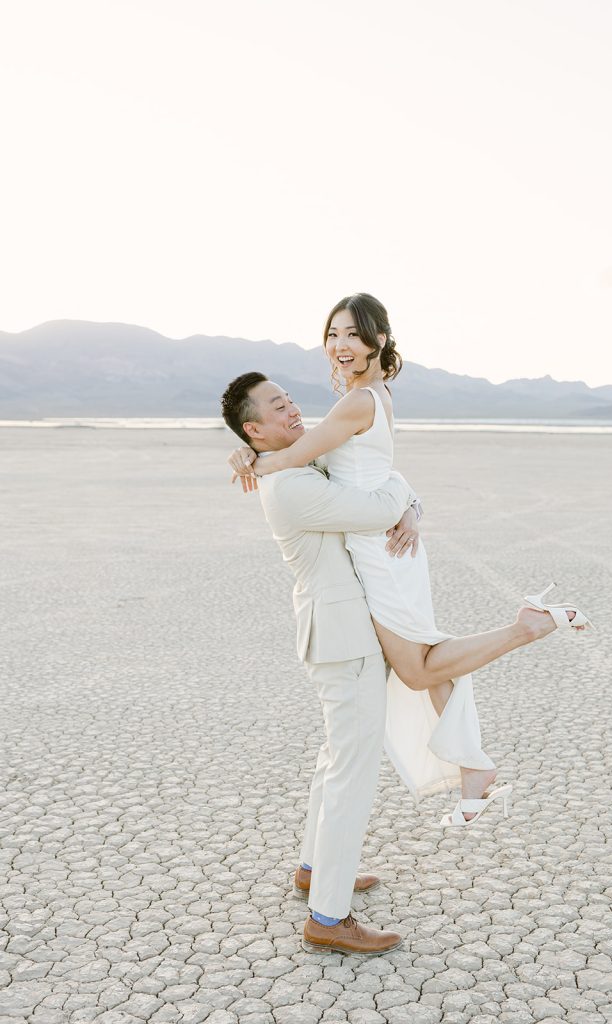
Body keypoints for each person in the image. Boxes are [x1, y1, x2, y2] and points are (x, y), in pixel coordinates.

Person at [229, 294, 591, 830]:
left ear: (378, 337)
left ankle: (528, 628)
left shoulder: (357, 403)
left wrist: (248, 455)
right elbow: (374, 471)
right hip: (384, 546)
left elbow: (289, 459)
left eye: (352, 334)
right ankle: (474, 770)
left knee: (418, 669)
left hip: (379, 550)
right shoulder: (368, 396)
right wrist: (411, 506)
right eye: (332, 335)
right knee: (426, 658)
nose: (340, 345)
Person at [222, 371, 421, 956]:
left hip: (336, 632)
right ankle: (329, 916)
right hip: (344, 640)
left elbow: (376, 480)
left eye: (290, 401)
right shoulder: (292, 485)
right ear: (254, 428)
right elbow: (378, 500)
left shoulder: (296, 467)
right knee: (351, 776)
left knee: (335, 760)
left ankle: (314, 868)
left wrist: (404, 495)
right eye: (278, 408)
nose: (293, 411)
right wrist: (404, 498)